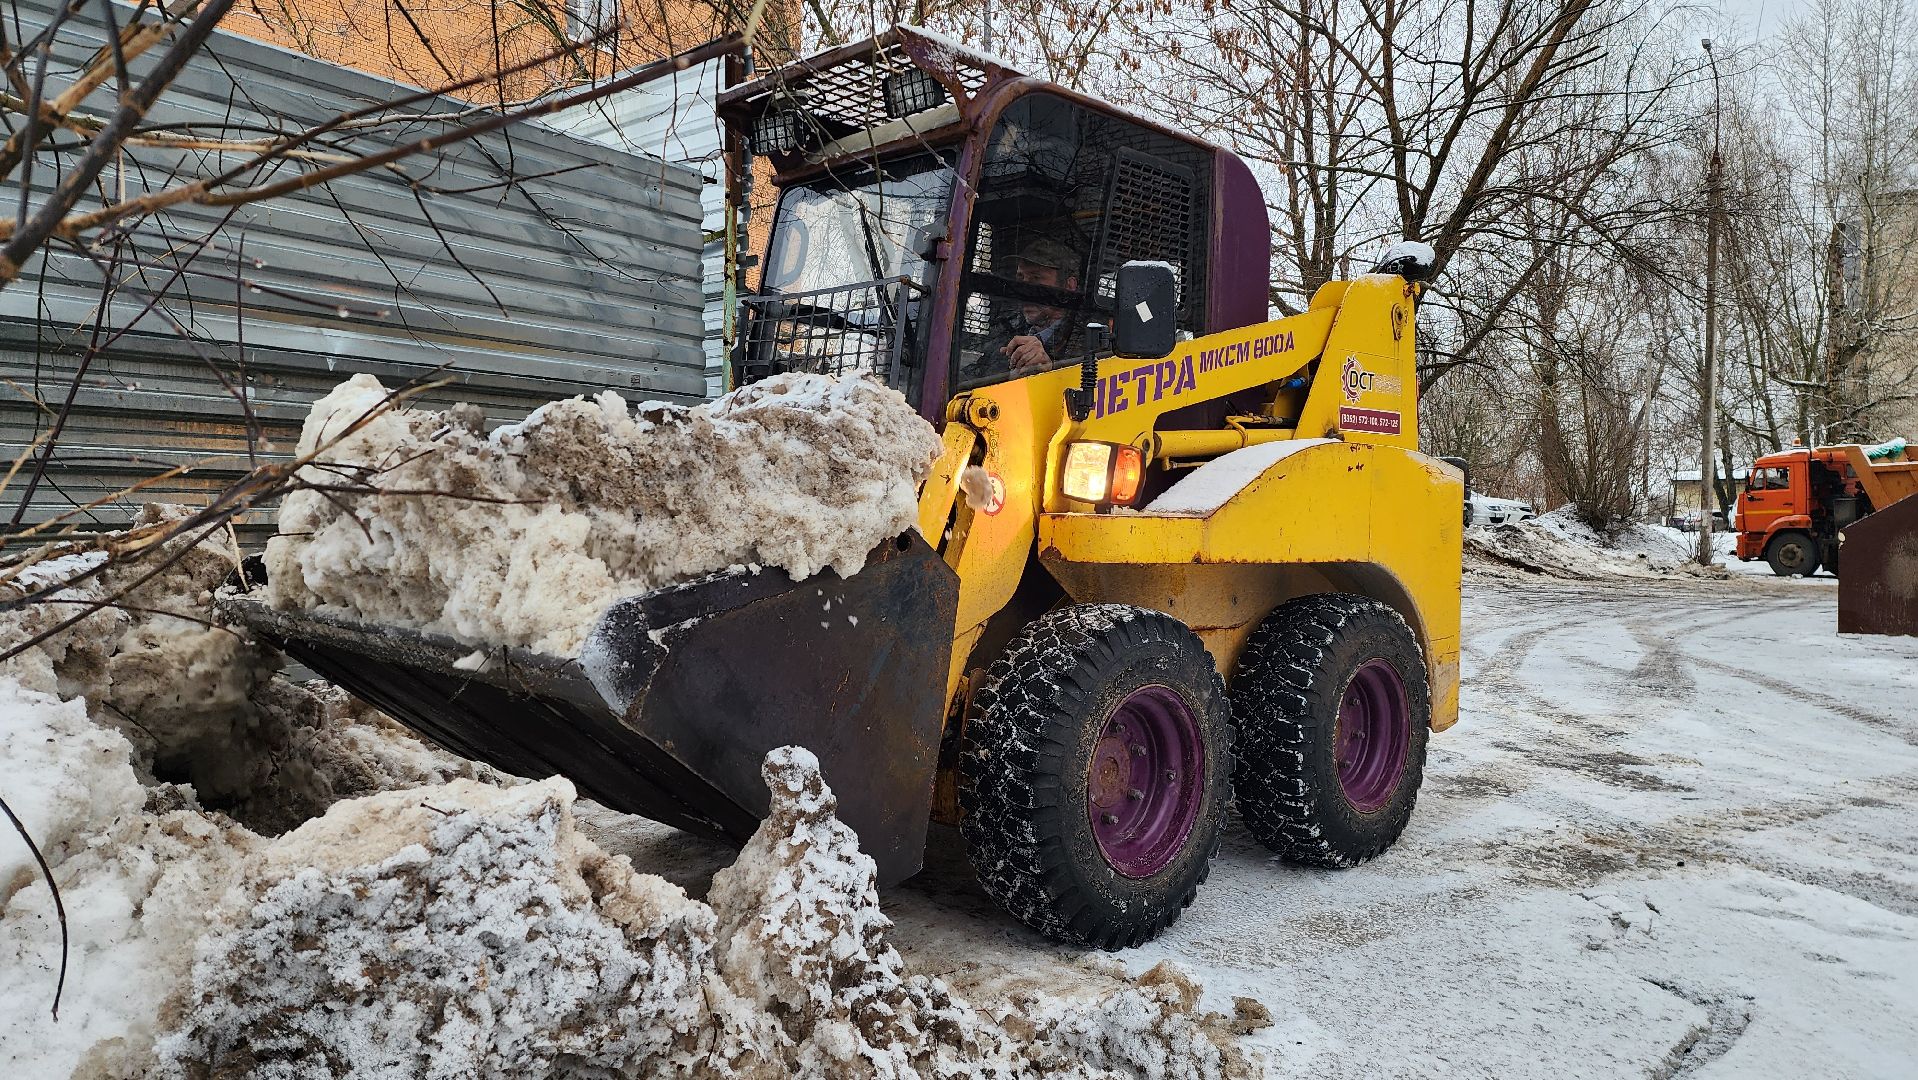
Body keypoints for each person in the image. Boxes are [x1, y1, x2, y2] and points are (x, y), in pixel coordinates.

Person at [968, 237, 1082, 381]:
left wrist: (1050, 372)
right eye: (1020, 279)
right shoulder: (1007, 329)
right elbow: (976, 375)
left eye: (1036, 279)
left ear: (1068, 287)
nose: (1023, 291)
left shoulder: (1093, 336)